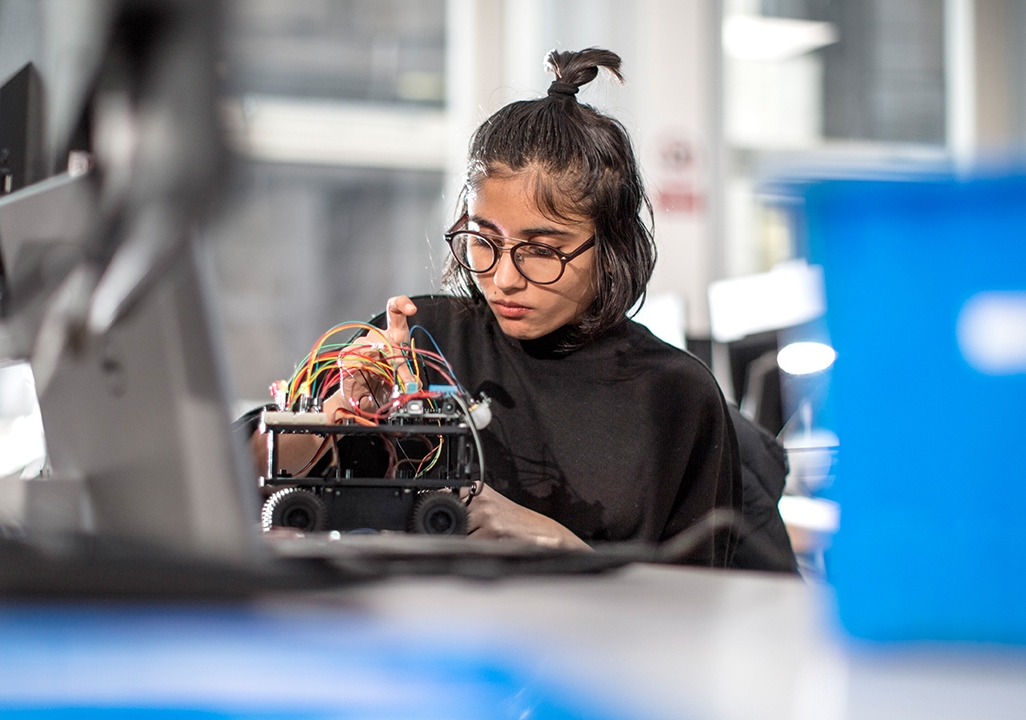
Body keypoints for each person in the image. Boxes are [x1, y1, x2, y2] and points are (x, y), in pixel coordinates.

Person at [249, 48, 741, 566]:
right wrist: (327, 420)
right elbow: (227, 484)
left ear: (612, 243)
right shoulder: (416, 344)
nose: (503, 279)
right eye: (484, 241)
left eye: (542, 251)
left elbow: (702, 604)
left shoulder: (676, 398)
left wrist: (562, 548)